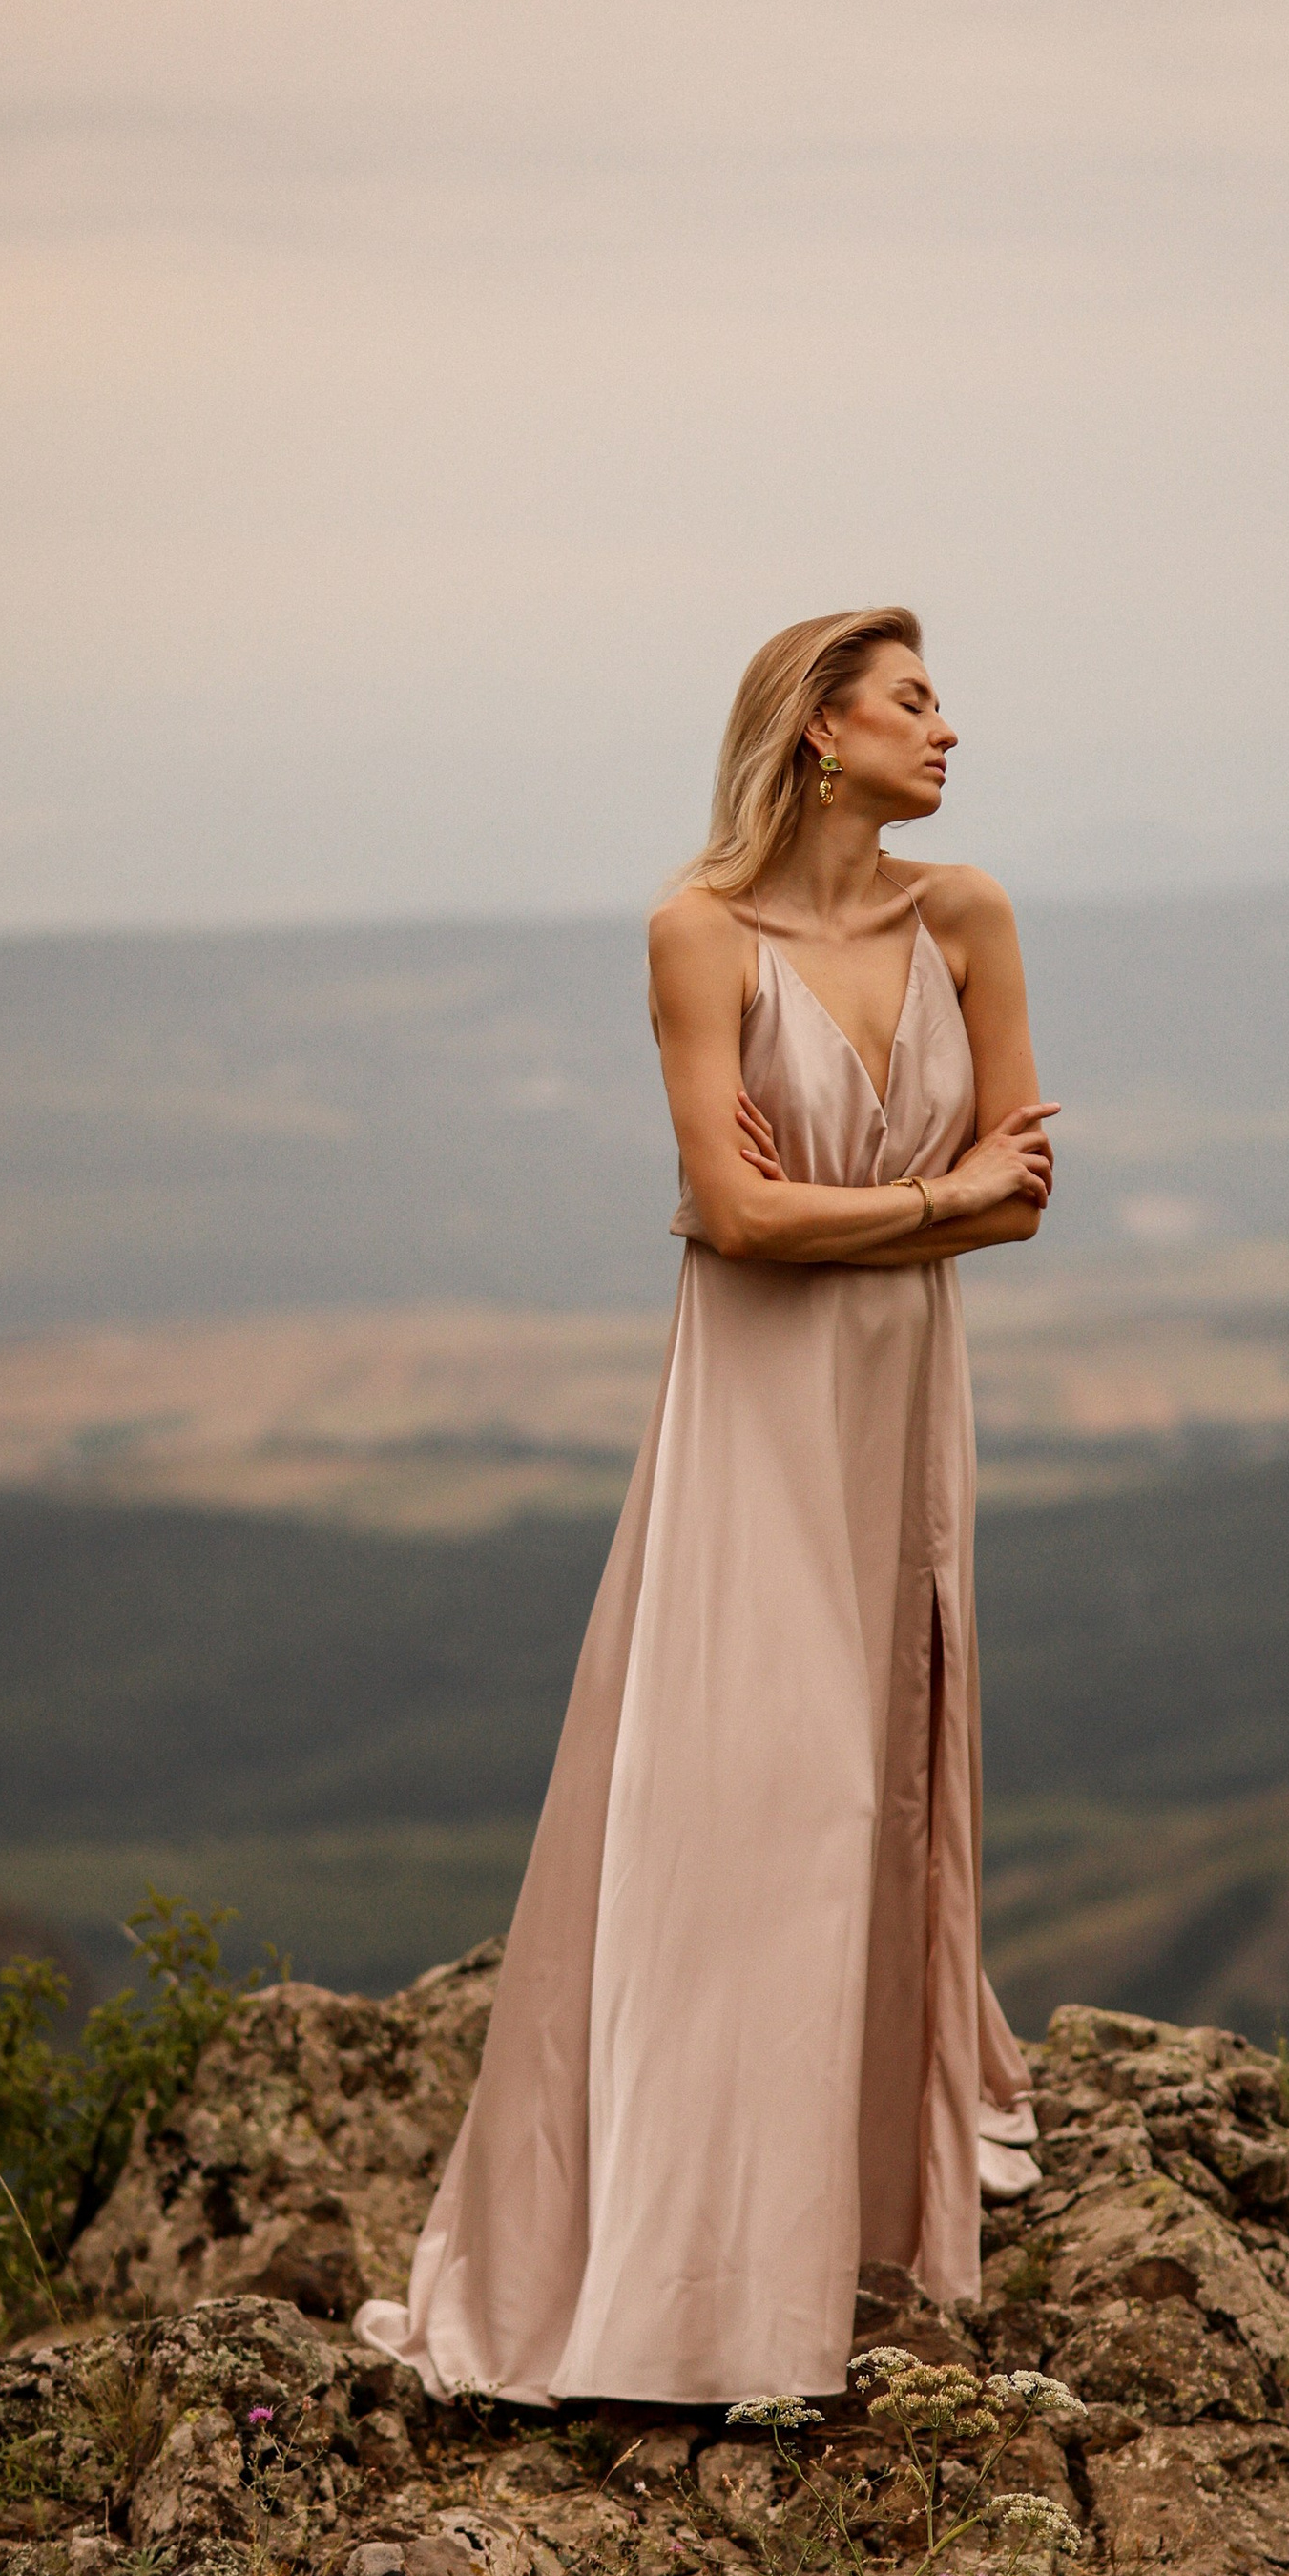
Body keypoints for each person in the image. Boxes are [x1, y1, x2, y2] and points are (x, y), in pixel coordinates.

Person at [356, 607, 1060, 2403]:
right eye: (914, 701)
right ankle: (688, 2285)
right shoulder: (699, 936)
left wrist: (878, 1210)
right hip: (755, 1412)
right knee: (757, 1797)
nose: (948, 730)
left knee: (871, 1788)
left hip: (899, 1409)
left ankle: (836, 2237)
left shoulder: (968, 915)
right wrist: (928, 1200)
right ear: (821, 730)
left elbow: (1028, 1193)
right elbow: (745, 1225)